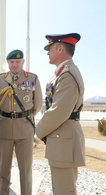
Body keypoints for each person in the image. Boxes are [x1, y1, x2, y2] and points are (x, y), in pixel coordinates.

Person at [35, 33, 85, 195]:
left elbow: (58, 111)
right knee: (61, 187)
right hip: (61, 139)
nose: (48, 53)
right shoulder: (62, 72)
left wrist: (37, 131)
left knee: (64, 190)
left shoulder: (68, 74)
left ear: (60, 48)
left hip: (64, 140)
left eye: (49, 48)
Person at [0, 49, 42, 195]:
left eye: (17, 62)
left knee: (25, 170)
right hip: (5, 128)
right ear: (7, 63)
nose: (15, 65)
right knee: (3, 169)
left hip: (24, 128)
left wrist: (24, 116)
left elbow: (37, 104)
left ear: (23, 62)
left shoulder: (32, 78)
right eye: (12, 62)